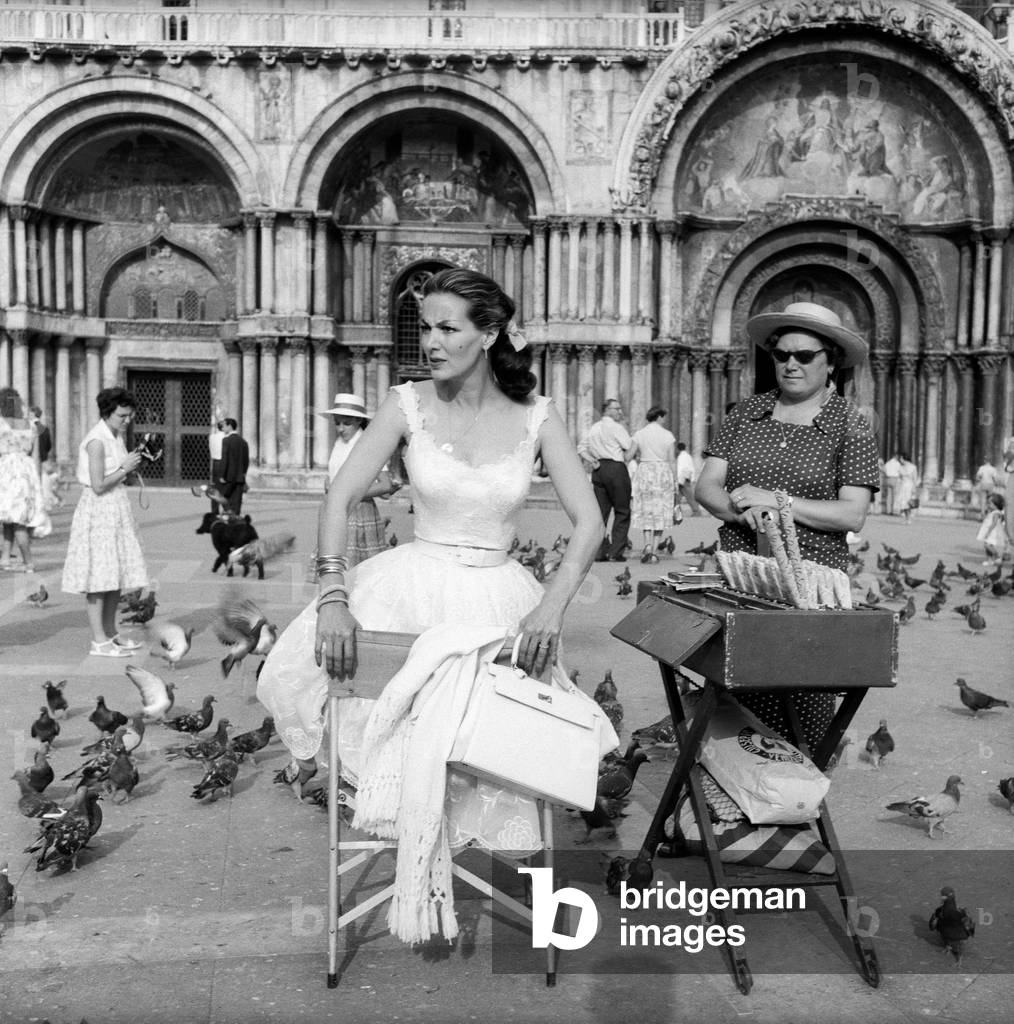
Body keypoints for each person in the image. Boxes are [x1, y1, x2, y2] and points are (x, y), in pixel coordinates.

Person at [257, 267, 615, 945]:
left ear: (489, 334)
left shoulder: (536, 416)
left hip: (500, 602)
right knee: (401, 733)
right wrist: (333, 595)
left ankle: (453, 867)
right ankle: (413, 854)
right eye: (425, 326)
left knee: (497, 743)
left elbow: (590, 520)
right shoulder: (406, 403)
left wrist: (554, 605)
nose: (431, 341)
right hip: (407, 592)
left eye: (448, 327)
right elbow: (338, 497)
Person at [695, 301, 880, 750]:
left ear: (831, 359)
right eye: (781, 355)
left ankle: (793, 811)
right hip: (739, 579)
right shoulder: (745, 412)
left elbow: (852, 513)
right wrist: (740, 511)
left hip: (806, 591)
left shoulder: (851, 424)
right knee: (726, 709)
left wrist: (776, 502)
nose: (791, 364)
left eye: (805, 355)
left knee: (801, 711)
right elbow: (707, 486)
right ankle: (724, 810)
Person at [61, 387, 148, 657]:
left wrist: (128, 469)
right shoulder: (96, 441)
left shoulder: (115, 436)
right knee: (99, 577)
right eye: (122, 415)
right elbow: (98, 485)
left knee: (115, 574)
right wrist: (125, 468)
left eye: (129, 415)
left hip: (115, 509)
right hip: (99, 511)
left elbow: (117, 475)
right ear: (107, 412)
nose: (127, 420)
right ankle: (99, 640)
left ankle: (111, 633)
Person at [321, 392, 401, 568]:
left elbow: (385, 484)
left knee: (356, 569)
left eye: (347, 423)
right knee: (335, 567)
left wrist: (348, 493)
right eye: (337, 423)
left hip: (359, 513)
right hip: (335, 510)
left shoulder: (367, 443)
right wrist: (329, 484)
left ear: (358, 421)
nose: (341, 428)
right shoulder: (339, 444)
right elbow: (333, 475)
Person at [577, 398, 635, 561]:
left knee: (601, 512)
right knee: (622, 510)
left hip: (599, 469)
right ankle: (615, 552)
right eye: (617, 409)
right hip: (616, 468)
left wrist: (592, 460)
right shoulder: (617, 428)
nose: (620, 412)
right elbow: (628, 445)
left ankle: (599, 552)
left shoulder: (593, 428)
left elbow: (580, 448)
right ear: (607, 410)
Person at [0, 387, 44, 573]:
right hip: (26, 473)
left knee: (16, 523)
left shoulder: (1, 423)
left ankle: (28, 562)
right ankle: (5, 559)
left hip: (6, 472)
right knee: (14, 519)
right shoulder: (31, 425)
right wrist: (38, 483)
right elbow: (36, 457)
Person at [630, 406, 677, 561]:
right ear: (659, 417)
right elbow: (671, 459)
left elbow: (629, 455)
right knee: (660, 512)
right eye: (663, 417)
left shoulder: (639, 434)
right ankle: (655, 550)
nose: (665, 420)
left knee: (646, 511)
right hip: (662, 471)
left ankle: (647, 544)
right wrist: (675, 480)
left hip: (644, 471)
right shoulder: (668, 435)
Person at [217, 418, 249, 515]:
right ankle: (236, 521)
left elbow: (225, 459)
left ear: (230, 426)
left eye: (224, 425)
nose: (223, 427)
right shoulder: (243, 442)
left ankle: (227, 520)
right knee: (237, 502)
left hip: (228, 477)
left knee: (225, 499)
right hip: (239, 477)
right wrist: (243, 473)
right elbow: (246, 461)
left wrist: (222, 475)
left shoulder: (226, 440)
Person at [977, 494, 1007, 565]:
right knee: (986, 545)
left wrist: (988, 532)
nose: (988, 505)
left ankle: (997, 556)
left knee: (987, 545)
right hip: (989, 531)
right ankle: (989, 560)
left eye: (990, 503)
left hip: (992, 532)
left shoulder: (996, 513)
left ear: (996, 504)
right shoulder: (992, 512)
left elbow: (994, 523)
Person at [675, 441, 701, 517]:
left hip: (682, 479)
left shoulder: (681, 457)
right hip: (687, 478)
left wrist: (678, 479)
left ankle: (696, 511)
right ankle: (675, 512)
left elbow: (680, 468)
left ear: (677, 449)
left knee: (688, 496)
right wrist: (692, 478)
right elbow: (692, 468)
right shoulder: (688, 456)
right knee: (677, 497)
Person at [207, 418, 225, 514]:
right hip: (223, 463)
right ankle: (227, 509)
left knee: (215, 488)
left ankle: (214, 511)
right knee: (225, 488)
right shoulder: (226, 438)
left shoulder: (212, 436)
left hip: (215, 463)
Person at [896, 452, 920, 523]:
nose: (900, 460)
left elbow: (915, 479)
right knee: (904, 503)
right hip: (903, 486)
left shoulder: (913, 467)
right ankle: (906, 518)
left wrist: (914, 488)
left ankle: (909, 518)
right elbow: (899, 478)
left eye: (901, 458)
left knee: (909, 503)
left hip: (910, 486)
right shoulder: (901, 467)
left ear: (904, 458)